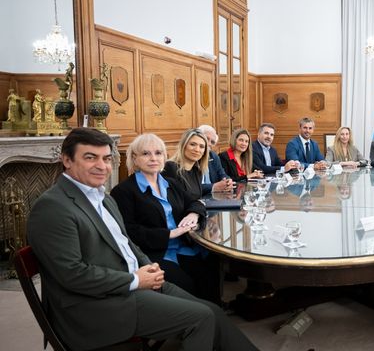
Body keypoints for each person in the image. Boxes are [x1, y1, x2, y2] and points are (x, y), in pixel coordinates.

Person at [27, 128, 256, 351]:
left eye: (106, 158)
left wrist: (148, 266)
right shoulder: (52, 207)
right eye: (90, 157)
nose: (101, 165)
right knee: (202, 317)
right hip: (99, 304)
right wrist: (136, 279)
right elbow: (72, 275)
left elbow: (127, 243)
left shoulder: (102, 198)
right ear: (66, 160)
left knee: (212, 310)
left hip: (135, 279)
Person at [111, 133, 221, 303]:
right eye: (146, 153)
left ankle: (214, 317)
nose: (153, 158)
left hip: (184, 246)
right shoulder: (123, 191)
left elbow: (195, 203)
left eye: (158, 153)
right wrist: (170, 234)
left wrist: (193, 213)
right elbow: (129, 231)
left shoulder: (171, 183)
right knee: (187, 285)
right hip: (154, 253)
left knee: (212, 270)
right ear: (135, 158)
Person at [162, 128, 210, 199]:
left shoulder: (197, 171)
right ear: (183, 146)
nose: (197, 150)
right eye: (192, 144)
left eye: (201, 146)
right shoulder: (170, 167)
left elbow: (196, 199)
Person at [196, 124, 234, 194]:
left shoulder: (213, 156)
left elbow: (222, 174)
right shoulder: (193, 156)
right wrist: (213, 187)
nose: (209, 143)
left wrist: (228, 181)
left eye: (212, 142)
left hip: (213, 196)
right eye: (207, 138)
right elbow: (192, 187)